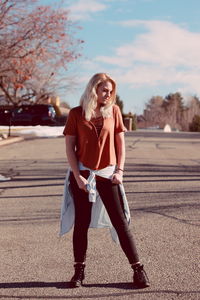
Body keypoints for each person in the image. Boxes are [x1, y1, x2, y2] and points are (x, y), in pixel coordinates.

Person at [61, 73, 150, 288]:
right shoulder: (76, 114)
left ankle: (138, 270)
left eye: (111, 91)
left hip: (108, 174)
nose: (108, 94)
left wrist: (120, 170)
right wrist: (77, 177)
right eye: (104, 90)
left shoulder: (114, 112)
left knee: (120, 223)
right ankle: (79, 272)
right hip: (83, 174)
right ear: (93, 89)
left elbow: (120, 145)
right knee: (81, 224)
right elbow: (70, 149)